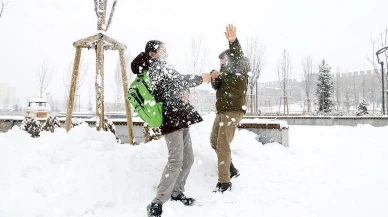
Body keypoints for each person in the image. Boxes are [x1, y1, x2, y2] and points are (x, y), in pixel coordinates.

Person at [131, 40, 211, 217]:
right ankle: (157, 202)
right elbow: (177, 80)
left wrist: (184, 93)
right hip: (171, 118)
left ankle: (177, 192)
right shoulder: (154, 66)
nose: (165, 52)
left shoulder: (161, 66)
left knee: (188, 158)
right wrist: (201, 78)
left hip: (180, 116)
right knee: (176, 160)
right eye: (162, 50)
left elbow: (174, 86)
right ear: (152, 53)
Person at [210, 24, 250, 193]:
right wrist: (214, 76)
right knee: (214, 142)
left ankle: (224, 182)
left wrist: (233, 41)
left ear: (230, 59)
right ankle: (231, 168)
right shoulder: (224, 74)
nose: (221, 62)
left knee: (222, 144)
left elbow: (237, 55)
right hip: (222, 111)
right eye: (220, 61)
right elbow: (216, 86)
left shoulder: (239, 68)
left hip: (233, 111)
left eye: (223, 59)